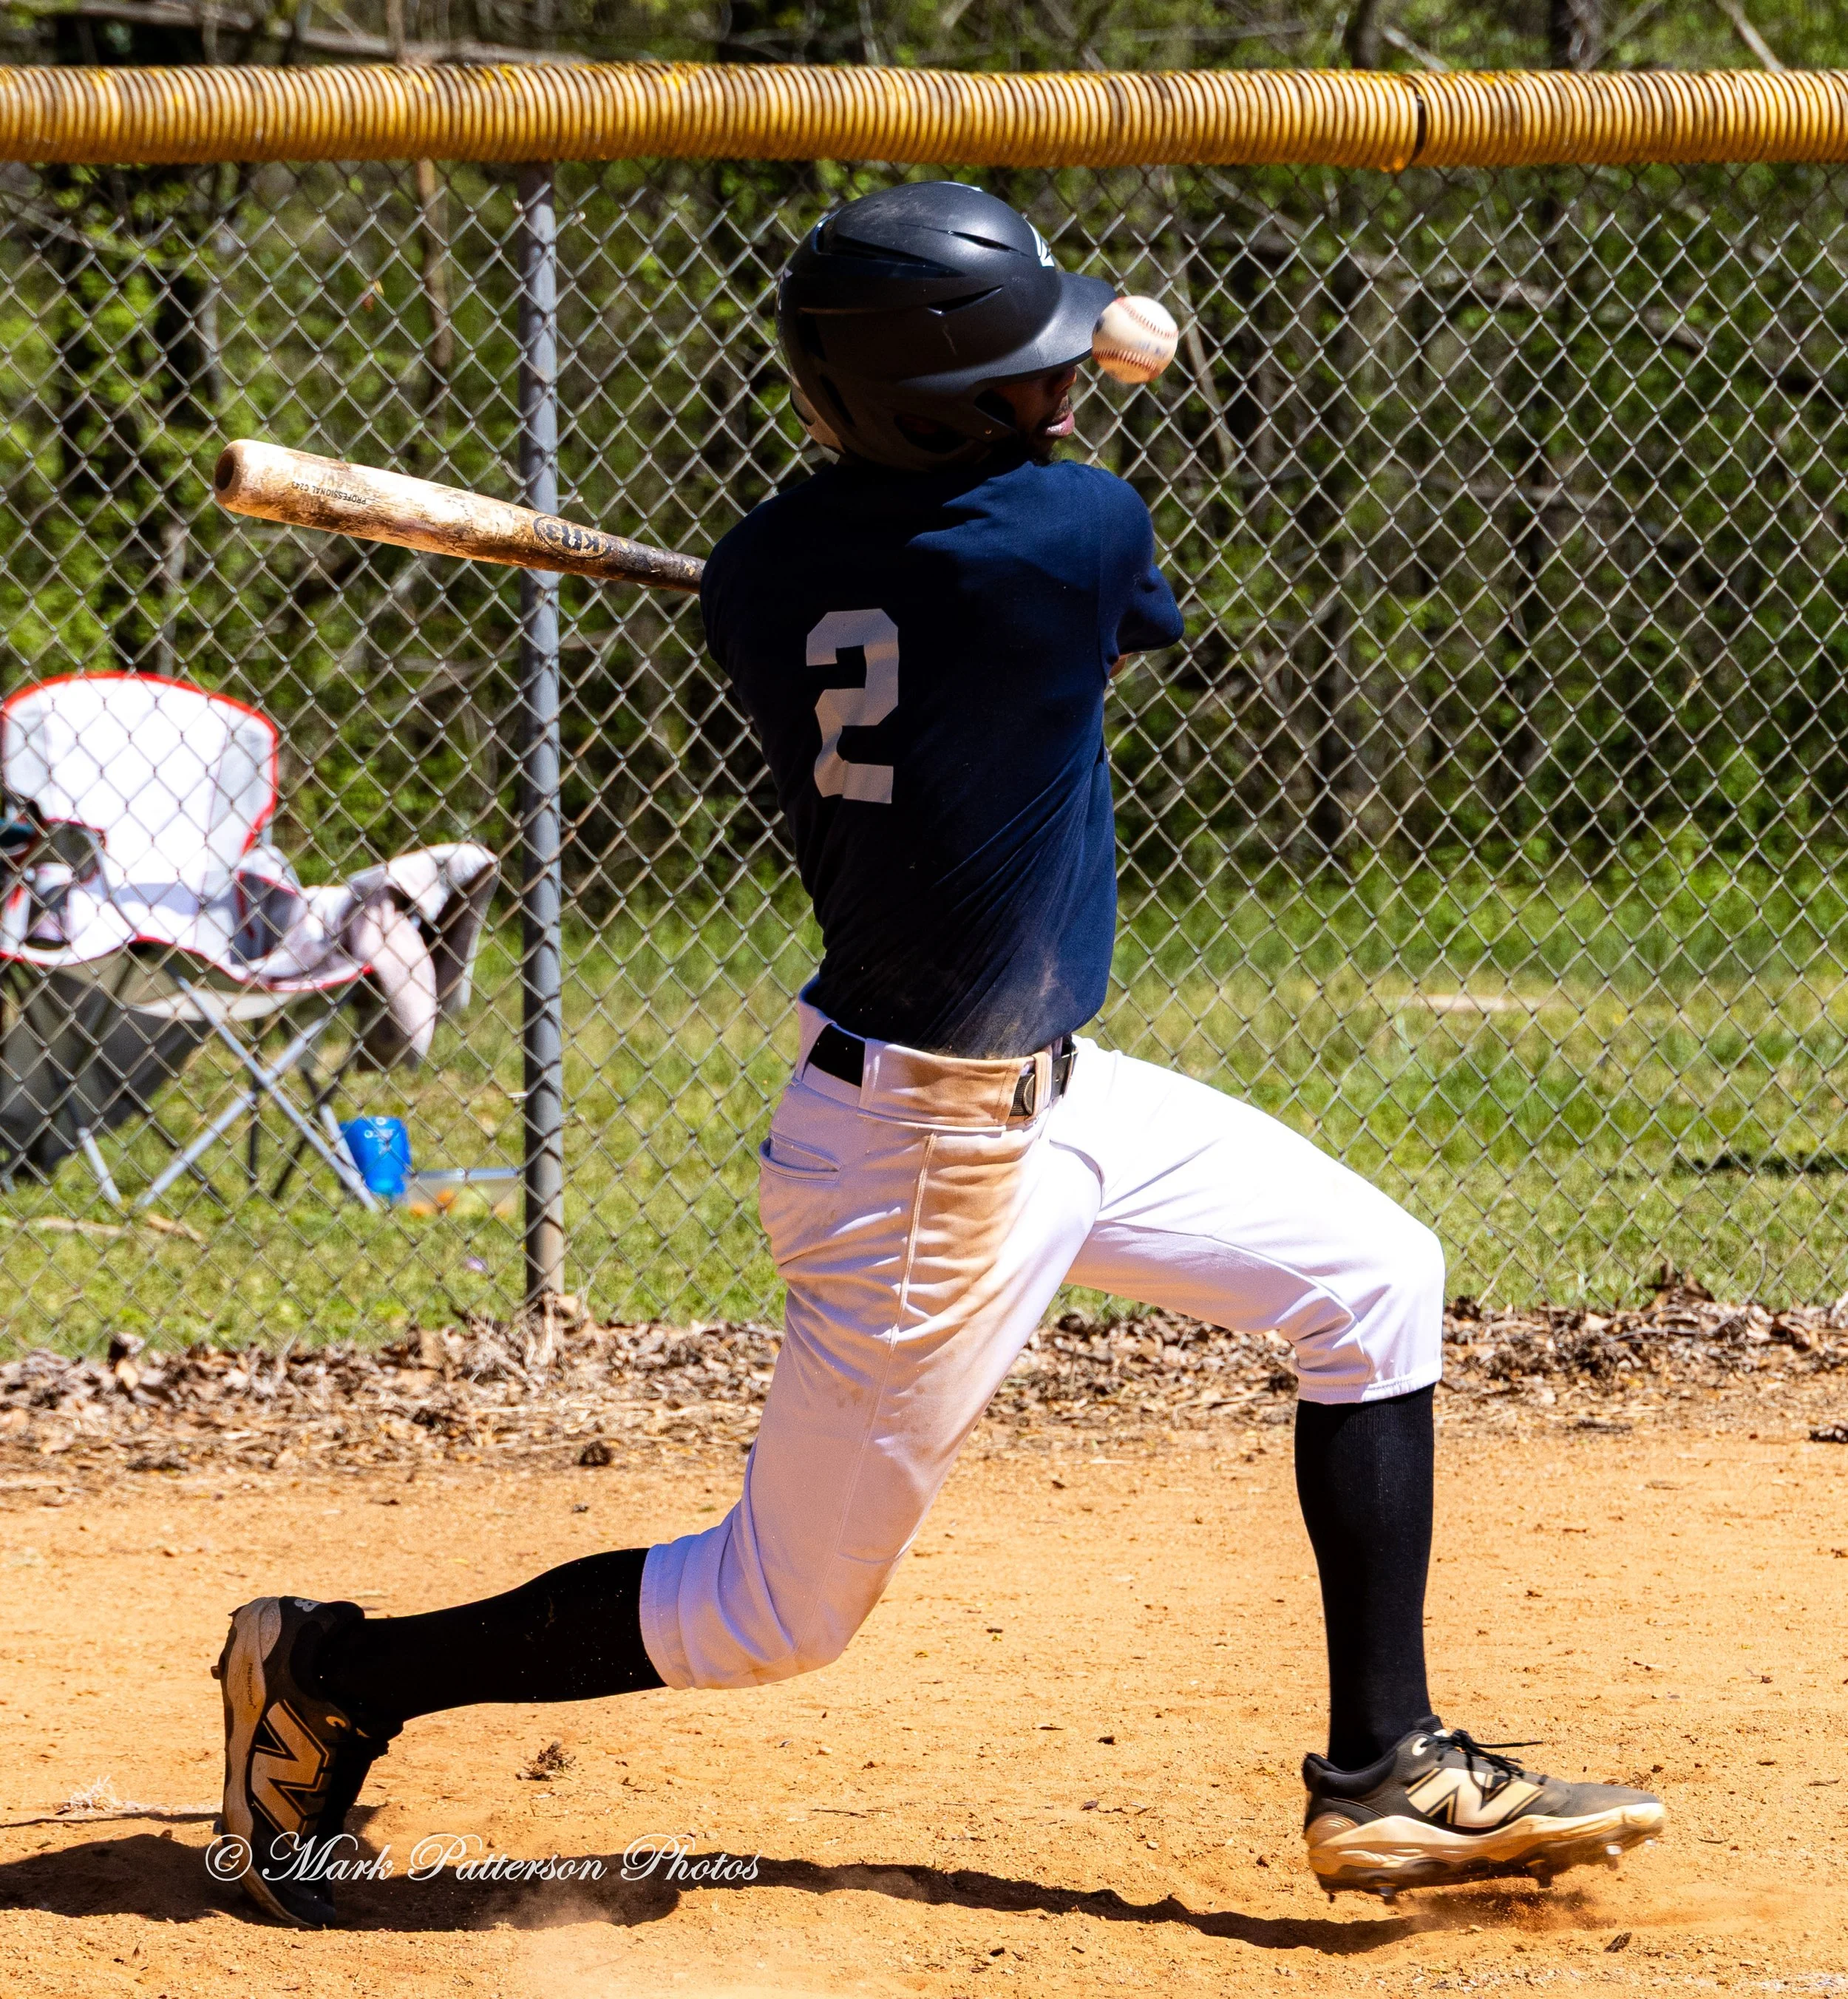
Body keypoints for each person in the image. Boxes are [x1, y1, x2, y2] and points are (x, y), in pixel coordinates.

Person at [211, 182, 1664, 1929]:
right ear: (930, 401)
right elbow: (1130, 595)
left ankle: (1386, 1766)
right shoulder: (1068, 540)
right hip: (921, 1164)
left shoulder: (758, 580)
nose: (1061, 389)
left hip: (1052, 1091)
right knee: (772, 1614)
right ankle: (336, 1674)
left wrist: (1029, 355)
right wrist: (1102, 339)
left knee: (1371, 1276)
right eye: (1023, 374)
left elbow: (882, 536)